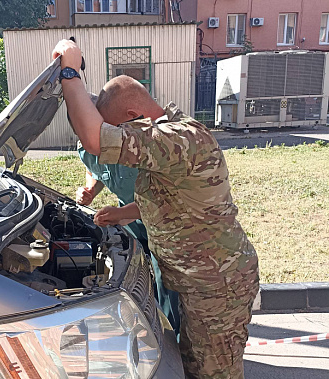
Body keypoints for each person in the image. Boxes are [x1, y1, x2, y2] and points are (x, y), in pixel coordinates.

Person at [53, 39, 259, 379]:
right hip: (199, 282)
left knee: (213, 374)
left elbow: (94, 138)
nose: (116, 139)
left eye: (117, 127)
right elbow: (162, 198)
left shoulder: (178, 139)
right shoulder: (164, 142)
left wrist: (70, 70)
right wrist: (116, 212)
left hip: (217, 288)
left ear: (133, 117)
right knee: (190, 365)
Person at [76, 139, 181, 334]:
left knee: (167, 284)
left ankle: (173, 341)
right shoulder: (86, 145)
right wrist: (90, 190)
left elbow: (162, 199)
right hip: (130, 220)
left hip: (164, 220)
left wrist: (121, 213)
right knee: (142, 278)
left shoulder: (136, 144)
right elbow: (95, 171)